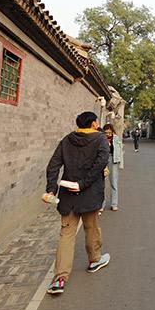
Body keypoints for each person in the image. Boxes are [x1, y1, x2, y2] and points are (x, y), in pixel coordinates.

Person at [44, 111, 111, 295]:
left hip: (68, 196)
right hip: (89, 194)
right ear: (94, 123)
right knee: (91, 228)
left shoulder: (67, 140)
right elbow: (100, 164)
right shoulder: (100, 139)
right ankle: (94, 260)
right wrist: (82, 184)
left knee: (66, 234)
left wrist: (51, 188)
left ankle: (59, 279)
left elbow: (53, 165)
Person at [102, 123, 122, 211]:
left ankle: (114, 204)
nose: (108, 134)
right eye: (106, 133)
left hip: (113, 159)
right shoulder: (101, 138)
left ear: (112, 131)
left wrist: (121, 164)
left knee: (114, 182)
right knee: (101, 183)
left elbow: (120, 151)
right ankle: (101, 205)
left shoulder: (116, 138)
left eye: (109, 133)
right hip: (102, 160)